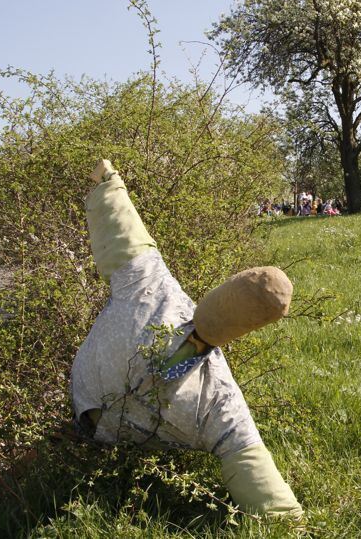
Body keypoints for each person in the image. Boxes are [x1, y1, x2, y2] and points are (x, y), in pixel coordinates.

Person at [71, 160, 302, 518]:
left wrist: (107, 179)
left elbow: (122, 234)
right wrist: (287, 520)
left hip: (87, 400)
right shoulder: (220, 400)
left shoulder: (154, 290)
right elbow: (248, 459)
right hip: (112, 431)